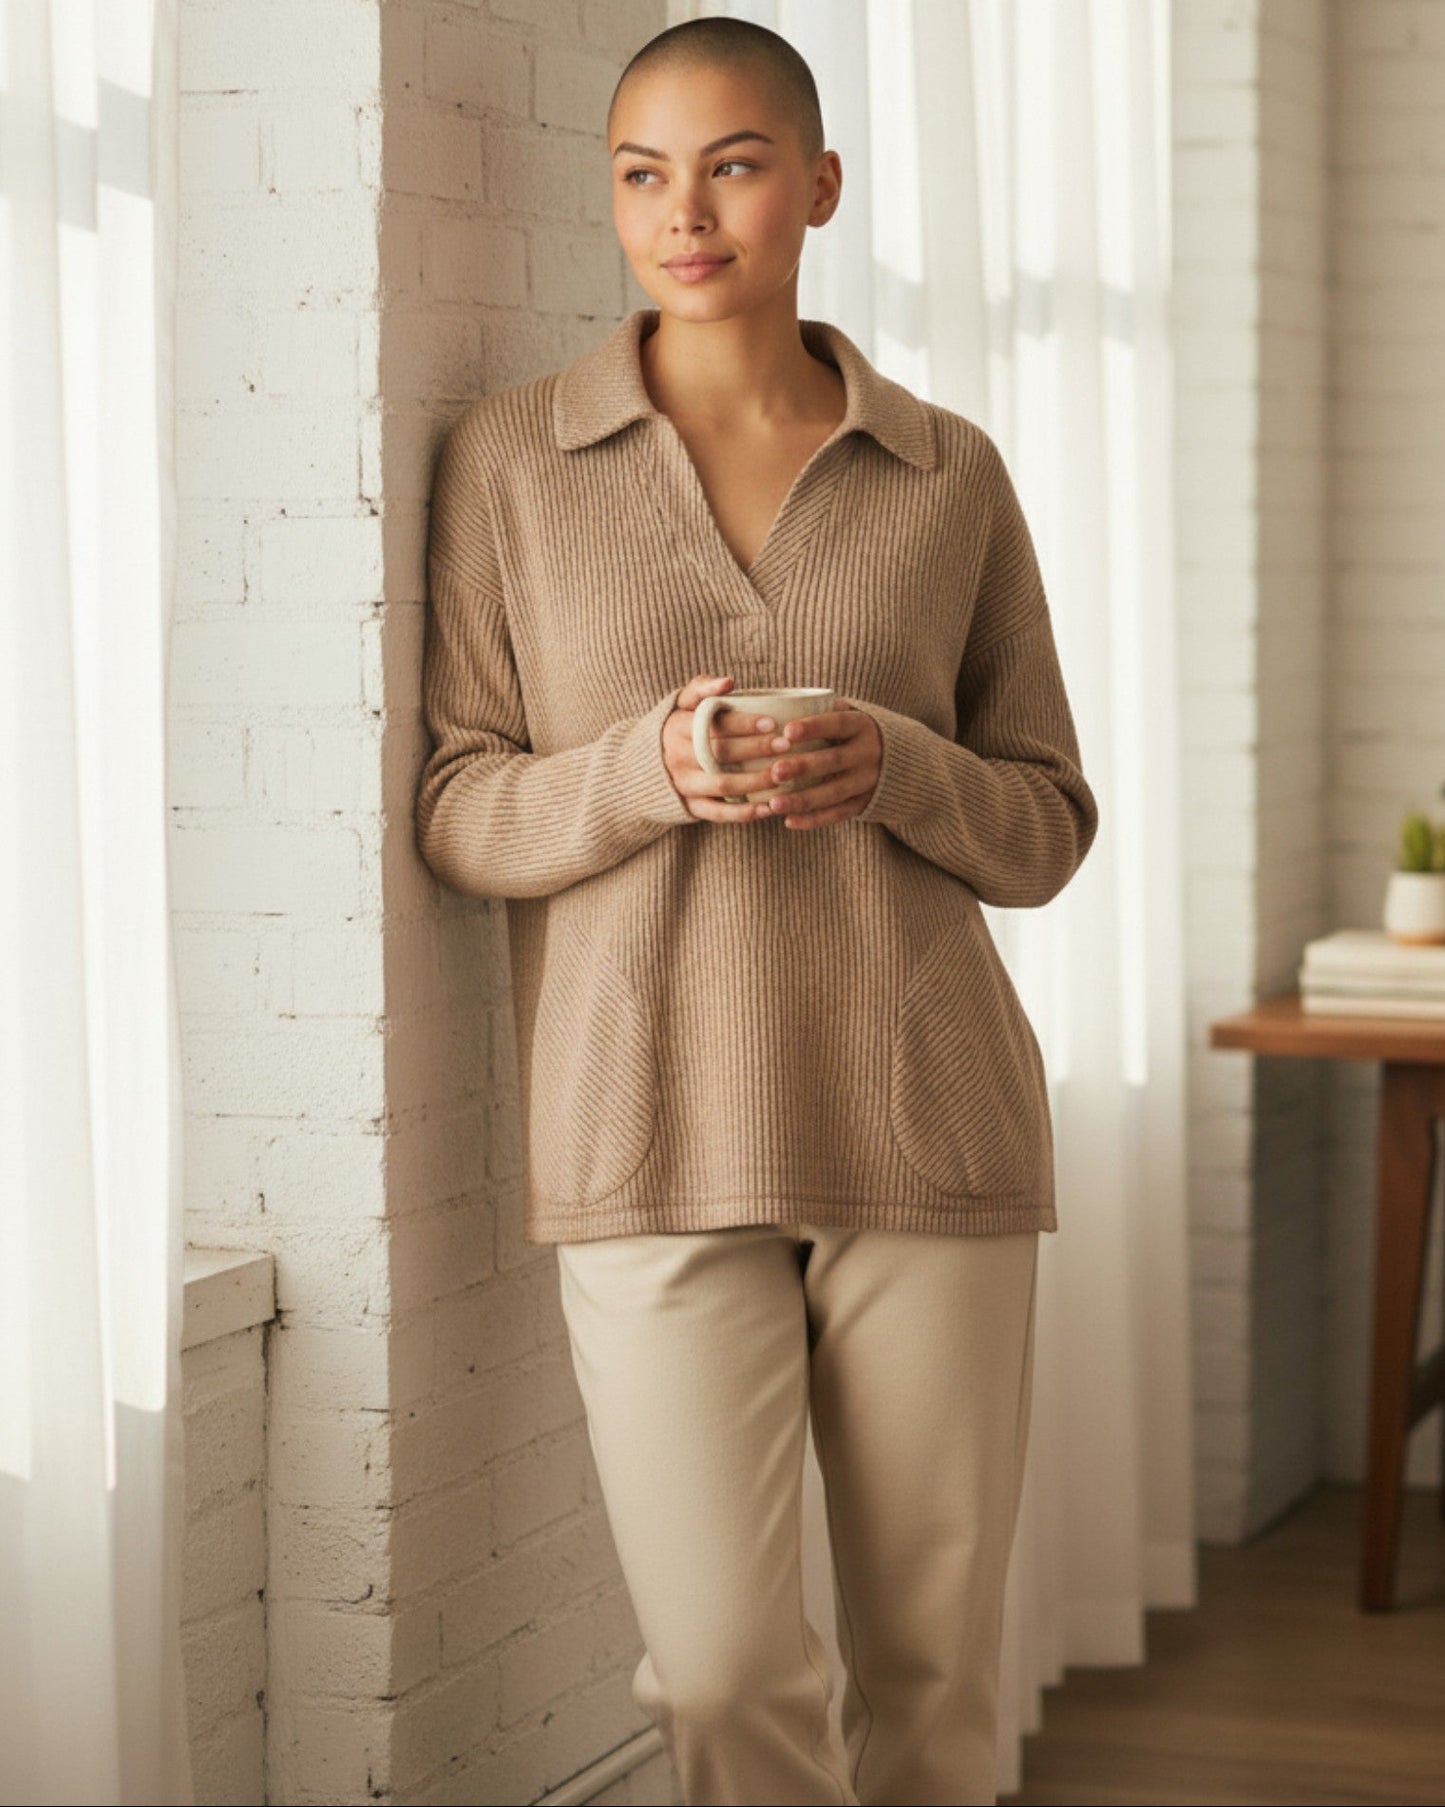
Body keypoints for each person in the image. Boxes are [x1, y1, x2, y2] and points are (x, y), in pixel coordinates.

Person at [415, 17, 1099, 1805]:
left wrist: (895, 768)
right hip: (645, 1138)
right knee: (720, 1674)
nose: (683, 211)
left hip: (926, 1128)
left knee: (934, 1688)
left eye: (728, 165)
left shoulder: (947, 475)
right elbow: (461, 807)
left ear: (816, 186)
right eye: (642, 171)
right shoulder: (512, 462)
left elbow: (1043, 827)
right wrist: (645, 769)